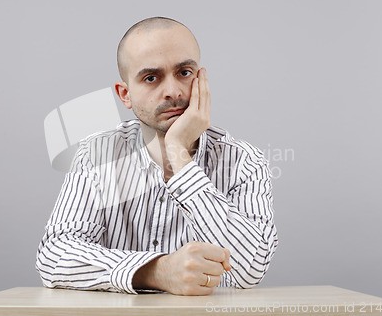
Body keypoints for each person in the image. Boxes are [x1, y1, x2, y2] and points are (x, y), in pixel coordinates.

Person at [36, 17, 278, 296]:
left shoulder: (245, 162)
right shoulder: (97, 154)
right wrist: (158, 271)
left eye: (184, 72)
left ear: (201, 78)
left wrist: (180, 156)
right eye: (151, 78)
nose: (173, 91)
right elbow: (54, 256)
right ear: (125, 95)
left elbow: (249, 269)